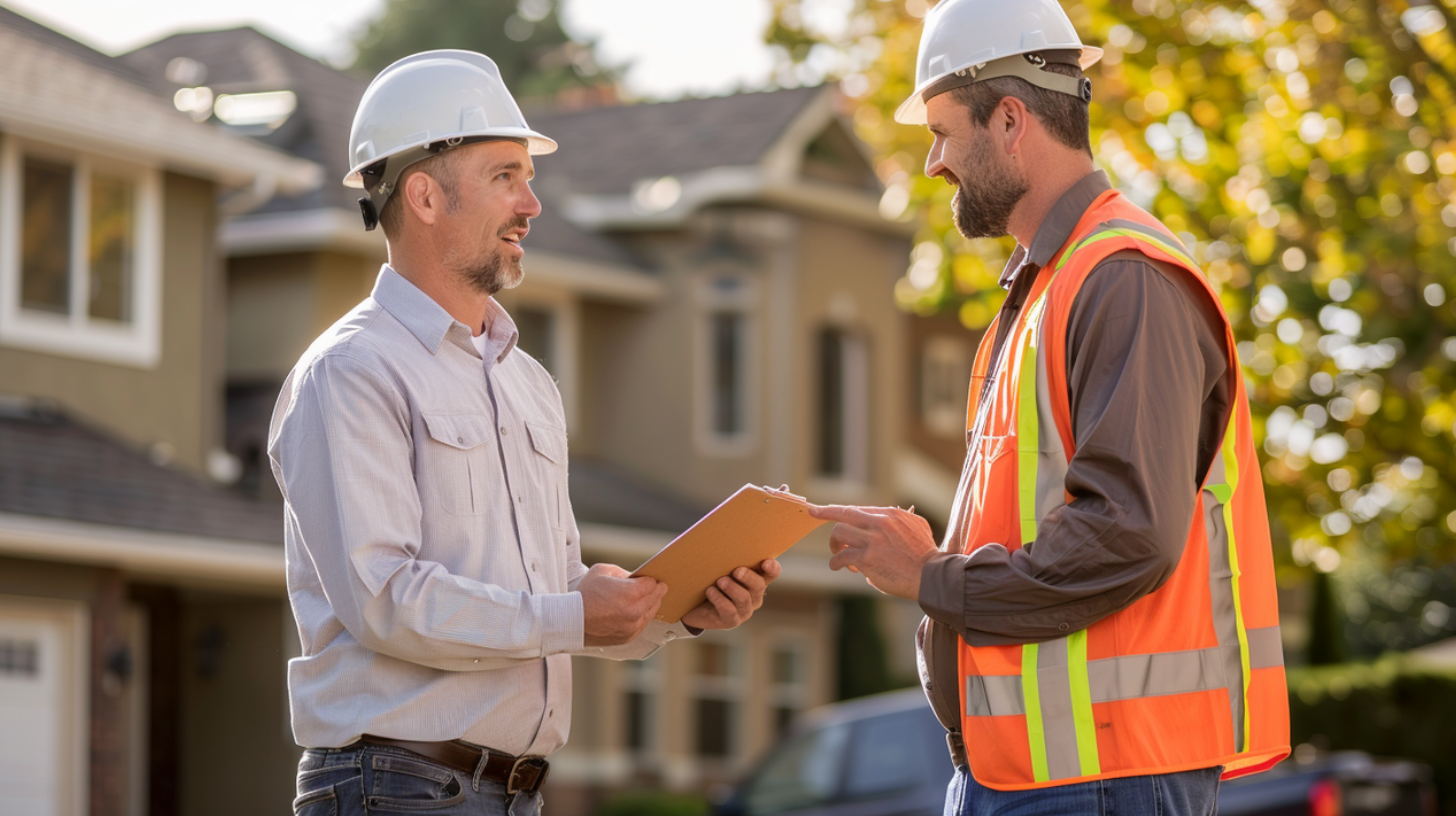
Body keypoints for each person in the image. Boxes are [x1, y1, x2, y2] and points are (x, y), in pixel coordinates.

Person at [268, 50, 779, 816]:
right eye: (506, 175)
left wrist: (675, 614)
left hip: (513, 796)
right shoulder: (351, 373)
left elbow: (550, 602)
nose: (531, 205)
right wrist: (573, 615)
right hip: (394, 791)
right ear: (425, 196)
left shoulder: (528, 383)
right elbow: (386, 600)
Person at [809, 1, 1290, 813]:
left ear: (1008, 119)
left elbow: (1125, 535)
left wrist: (933, 577)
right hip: (1033, 774)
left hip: (1104, 777)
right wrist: (924, 551)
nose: (932, 163)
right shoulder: (1053, 286)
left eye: (940, 130)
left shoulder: (1122, 279)